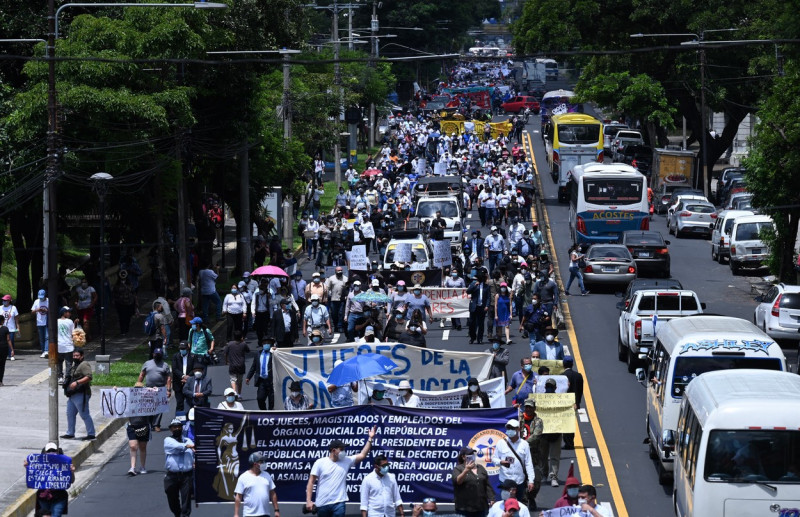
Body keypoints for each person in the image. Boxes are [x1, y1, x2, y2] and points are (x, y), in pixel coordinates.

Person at [306, 428, 377, 517]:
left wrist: (370, 439)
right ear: (333, 450)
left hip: (339, 503)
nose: (343, 451)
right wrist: (308, 501)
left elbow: (362, 455)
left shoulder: (346, 460)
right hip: (322, 504)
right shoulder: (320, 462)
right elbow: (311, 482)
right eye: (341, 449)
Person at [25, 442, 75, 517]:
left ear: (57, 452)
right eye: (49, 451)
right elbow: (33, 478)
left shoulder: (63, 464)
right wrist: (28, 468)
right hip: (43, 497)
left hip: (59, 498)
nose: (51, 452)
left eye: (53, 450)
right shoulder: (41, 465)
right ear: (45, 452)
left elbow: (71, 481)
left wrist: (71, 472)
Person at [494, 419, 535, 506]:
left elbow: (528, 463)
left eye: (512, 428)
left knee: (518, 505)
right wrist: (501, 462)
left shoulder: (524, 444)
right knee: (505, 506)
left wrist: (531, 480)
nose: (510, 430)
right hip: (505, 481)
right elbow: (494, 459)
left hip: (519, 481)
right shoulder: (501, 443)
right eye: (508, 428)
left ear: (518, 429)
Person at [61, 347, 95, 440]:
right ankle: (70, 432)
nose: (75, 357)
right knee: (70, 413)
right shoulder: (75, 365)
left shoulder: (84, 364)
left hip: (81, 393)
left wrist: (77, 382)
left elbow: (89, 377)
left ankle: (91, 434)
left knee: (84, 414)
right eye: (74, 355)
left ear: (82, 356)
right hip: (72, 394)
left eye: (77, 355)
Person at [164, 417, 195, 517]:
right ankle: (177, 514)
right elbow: (176, 446)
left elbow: (192, 450)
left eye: (178, 427)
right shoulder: (168, 440)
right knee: (172, 498)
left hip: (186, 476)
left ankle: (184, 515)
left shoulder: (188, 440)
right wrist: (186, 447)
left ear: (182, 428)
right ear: (171, 429)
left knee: (186, 500)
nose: (177, 429)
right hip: (172, 475)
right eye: (174, 427)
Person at [136, 347, 172, 431]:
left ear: (162, 355)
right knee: (148, 407)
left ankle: (156, 425)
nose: (157, 356)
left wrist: (168, 389)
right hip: (148, 389)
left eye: (159, 355)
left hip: (160, 389)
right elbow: (142, 374)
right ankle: (149, 424)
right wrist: (138, 385)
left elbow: (168, 378)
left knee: (159, 408)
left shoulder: (165, 365)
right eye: (156, 354)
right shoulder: (147, 363)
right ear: (153, 355)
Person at [452, 446, 494, 517]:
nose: (472, 456)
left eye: (473, 454)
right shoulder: (458, 469)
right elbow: (458, 481)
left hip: (481, 507)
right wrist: (466, 470)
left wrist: (492, 498)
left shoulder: (480, 468)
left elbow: (486, 484)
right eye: (469, 454)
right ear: (463, 457)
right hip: (464, 508)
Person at [234, 451, 279, 517]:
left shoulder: (267, 475)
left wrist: (276, 510)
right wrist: (236, 514)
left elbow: (273, 494)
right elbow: (238, 497)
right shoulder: (243, 477)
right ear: (255, 464)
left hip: (265, 514)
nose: (264, 463)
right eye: (261, 461)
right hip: (249, 515)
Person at [521, 400, 544, 509]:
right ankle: (524, 499)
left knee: (537, 479)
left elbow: (536, 436)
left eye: (530, 407)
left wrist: (523, 443)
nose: (528, 409)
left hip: (534, 455)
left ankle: (531, 497)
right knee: (521, 477)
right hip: (520, 454)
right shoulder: (518, 418)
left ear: (534, 408)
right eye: (526, 407)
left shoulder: (538, 421)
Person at [561, 356, 583, 450]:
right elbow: (580, 391)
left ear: (563, 364)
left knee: (565, 424)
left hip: (564, 404)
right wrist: (577, 403)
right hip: (574, 403)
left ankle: (568, 443)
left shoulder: (561, 376)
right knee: (570, 423)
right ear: (572, 364)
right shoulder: (579, 376)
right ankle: (570, 442)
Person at [223, 330, 250, 397]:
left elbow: (225, 353)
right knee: (240, 381)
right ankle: (239, 394)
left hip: (232, 365)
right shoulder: (243, 344)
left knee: (233, 380)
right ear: (241, 337)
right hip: (241, 365)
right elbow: (248, 350)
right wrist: (243, 341)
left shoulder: (230, 344)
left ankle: (234, 392)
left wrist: (226, 361)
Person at [171, 342, 196, 413]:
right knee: (179, 403)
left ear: (187, 348)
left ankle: (190, 419)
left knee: (190, 403)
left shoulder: (193, 356)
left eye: (183, 348)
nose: (182, 350)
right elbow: (174, 368)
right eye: (180, 349)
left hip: (189, 383)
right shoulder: (175, 356)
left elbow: (195, 368)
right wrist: (183, 376)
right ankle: (179, 420)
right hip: (178, 383)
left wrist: (188, 377)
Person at [467, 273, 491, 344]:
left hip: (482, 307)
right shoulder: (473, 284)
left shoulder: (486, 287)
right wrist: (474, 286)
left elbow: (488, 297)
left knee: (481, 323)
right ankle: (472, 337)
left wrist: (487, 305)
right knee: (472, 323)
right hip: (474, 306)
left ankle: (480, 338)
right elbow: (468, 291)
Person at [325, 266, 348, 333]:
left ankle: (340, 326)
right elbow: (327, 288)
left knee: (341, 313)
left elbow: (347, 289)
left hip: (342, 299)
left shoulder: (345, 279)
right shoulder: (331, 278)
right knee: (334, 314)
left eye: (341, 270)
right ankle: (335, 326)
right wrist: (327, 297)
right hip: (333, 299)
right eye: (338, 270)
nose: (339, 272)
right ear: (335, 271)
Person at [56, 306, 75, 383]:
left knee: (59, 362)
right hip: (68, 345)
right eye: (68, 312)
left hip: (59, 345)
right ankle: (67, 377)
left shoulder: (56, 321)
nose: (70, 313)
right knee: (69, 363)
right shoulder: (70, 321)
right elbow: (73, 333)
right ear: (64, 313)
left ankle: (60, 377)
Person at [32, 289, 50, 358]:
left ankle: (46, 350)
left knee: (47, 337)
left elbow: (52, 310)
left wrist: (46, 310)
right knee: (41, 338)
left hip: (46, 321)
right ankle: (43, 351)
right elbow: (32, 311)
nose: (41, 298)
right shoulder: (36, 301)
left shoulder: (48, 301)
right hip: (39, 322)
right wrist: (37, 309)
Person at [0, 314, 11, 386]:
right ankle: (0, 381)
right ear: (3, 321)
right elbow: (8, 339)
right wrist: (12, 350)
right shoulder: (5, 328)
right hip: (3, 348)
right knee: (2, 365)